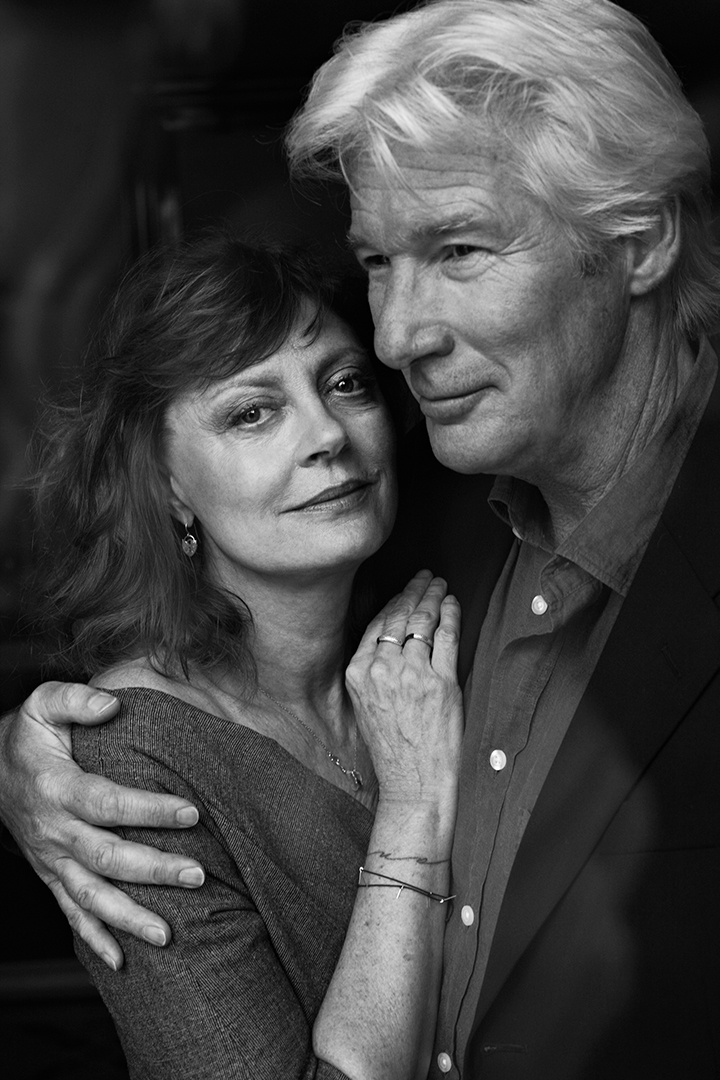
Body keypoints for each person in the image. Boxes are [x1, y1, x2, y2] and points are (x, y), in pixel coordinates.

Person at [2, 0, 720, 1076]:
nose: (395, 339)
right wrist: (27, 755)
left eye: (460, 248)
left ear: (641, 239)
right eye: (380, 262)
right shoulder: (433, 508)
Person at [14, 231, 464, 1080]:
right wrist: (411, 814)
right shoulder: (130, 762)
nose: (329, 433)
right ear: (167, 484)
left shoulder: (431, 644)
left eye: (345, 383)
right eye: (251, 412)